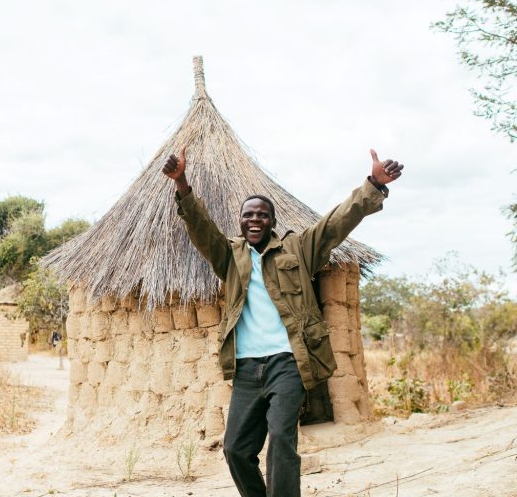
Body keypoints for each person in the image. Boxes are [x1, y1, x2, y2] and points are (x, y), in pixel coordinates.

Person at [162, 146, 403, 497]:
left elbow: (337, 223)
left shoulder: (298, 250)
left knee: (281, 441)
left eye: (262, 215)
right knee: (235, 449)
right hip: (246, 368)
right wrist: (182, 181)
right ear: (241, 222)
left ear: (273, 222)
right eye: (248, 215)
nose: (255, 220)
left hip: (287, 363)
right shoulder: (228, 256)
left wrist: (373, 185)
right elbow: (199, 227)